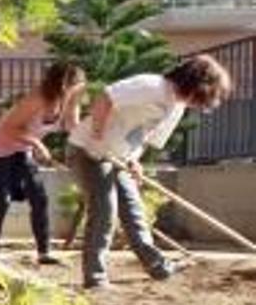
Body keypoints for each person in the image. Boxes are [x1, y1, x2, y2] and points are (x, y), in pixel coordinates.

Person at [67, 55, 232, 289]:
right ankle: (95, 278)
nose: (200, 104)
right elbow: (105, 98)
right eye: (204, 97)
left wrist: (134, 160)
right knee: (105, 209)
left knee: (133, 211)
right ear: (195, 84)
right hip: (88, 151)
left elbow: (144, 137)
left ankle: (158, 266)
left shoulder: (176, 107)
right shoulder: (151, 86)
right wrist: (97, 132)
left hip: (117, 157)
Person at [0, 62, 86, 264]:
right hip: (0, 149)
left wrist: (91, 146)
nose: (80, 90)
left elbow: (74, 128)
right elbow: (8, 129)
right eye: (76, 85)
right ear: (62, 84)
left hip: (22, 150)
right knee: (2, 201)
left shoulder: (70, 101)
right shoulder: (37, 99)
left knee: (39, 197)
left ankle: (44, 253)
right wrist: (37, 144)